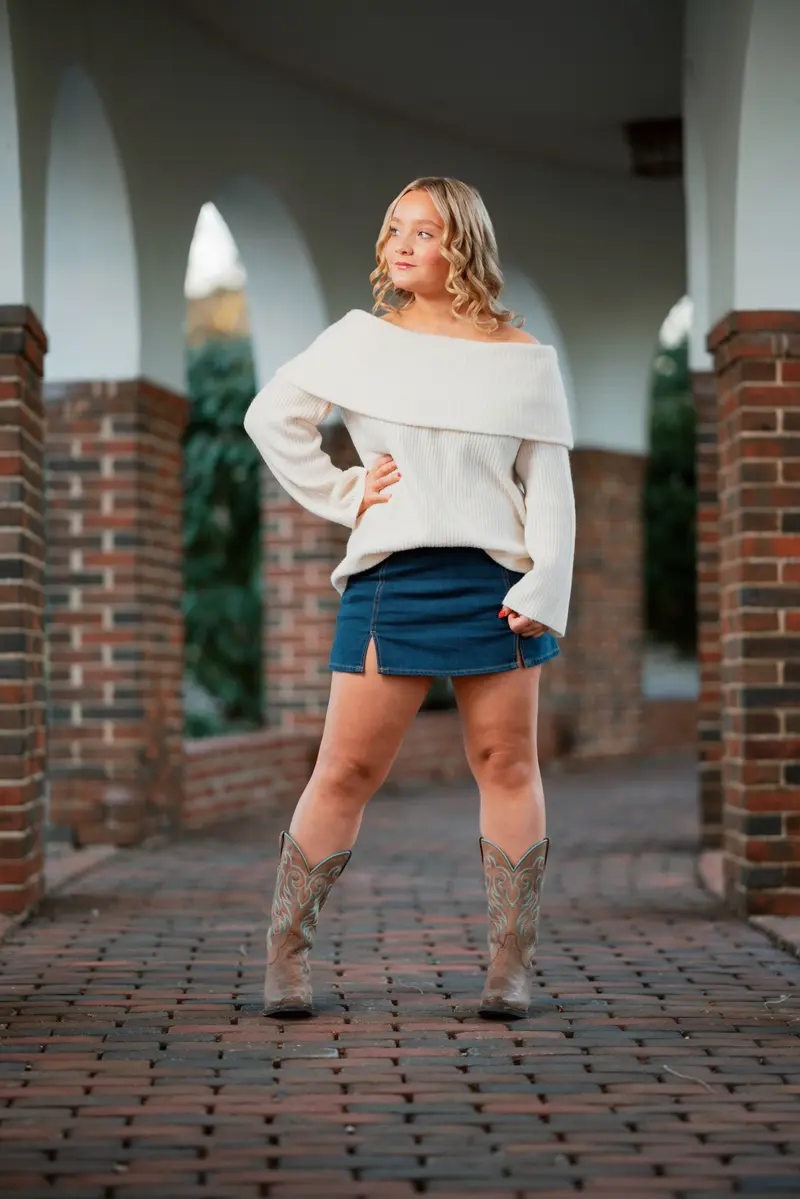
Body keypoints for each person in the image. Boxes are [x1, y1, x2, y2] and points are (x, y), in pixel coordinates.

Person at [243, 176, 575, 1021]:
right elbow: (270, 419)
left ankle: (511, 963)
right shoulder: (361, 343)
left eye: (423, 231)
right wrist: (348, 492)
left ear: (461, 244)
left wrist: (547, 581)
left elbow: (550, 484)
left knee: (505, 764)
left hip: (498, 587)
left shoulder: (521, 355)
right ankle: (286, 954)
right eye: (394, 227)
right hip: (391, 579)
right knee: (346, 768)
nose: (401, 242)